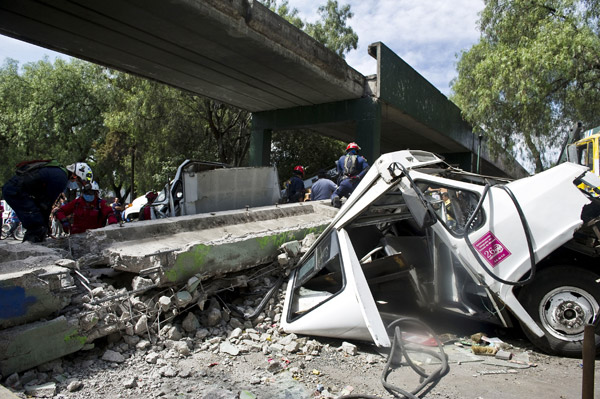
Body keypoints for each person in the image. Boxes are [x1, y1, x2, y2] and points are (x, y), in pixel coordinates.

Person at [1, 160, 92, 242]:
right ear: (74, 175)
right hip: (16, 191)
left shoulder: (59, 173)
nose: (76, 185)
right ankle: (29, 254)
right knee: (37, 226)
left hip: (15, 189)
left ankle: (32, 248)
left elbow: (42, 202)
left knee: (39, 224)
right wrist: (45, 225)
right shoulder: (60, 178)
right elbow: (46, 204)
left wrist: (46, 224)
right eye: (78, 182)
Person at [330, 142, 369, 208]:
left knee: (336, 193)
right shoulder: (361, 159)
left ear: (347, 150)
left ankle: (336, 198)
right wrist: (358, 176)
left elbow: (339, 174)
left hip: (344, 183)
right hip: (356, 184)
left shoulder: (341, 159)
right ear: (356, 151)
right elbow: (367, 169)